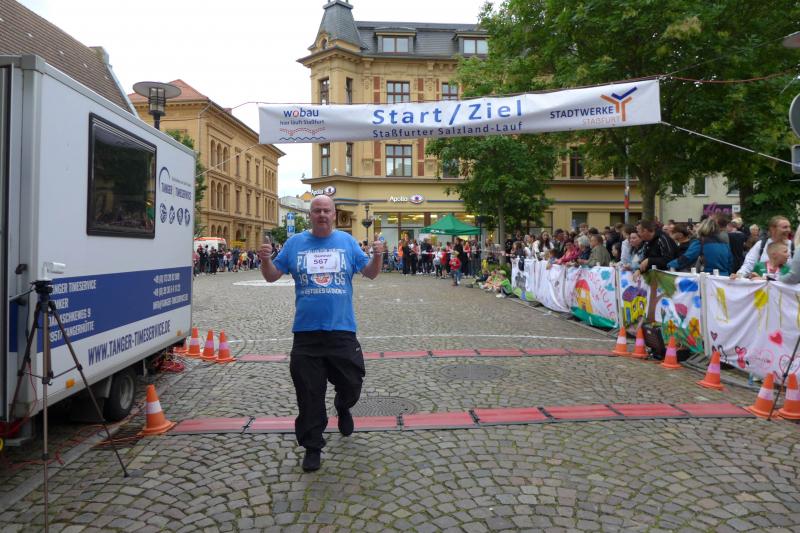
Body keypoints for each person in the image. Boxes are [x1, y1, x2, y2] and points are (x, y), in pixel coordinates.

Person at [257, 195, 383, 473]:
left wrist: (378, 255)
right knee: (309, 394)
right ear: (310, 215)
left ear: (334, 215)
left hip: (342, 330)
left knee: (352, 382)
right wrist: (265, 260)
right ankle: (312, 446)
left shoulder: (347, 242)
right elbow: (271, 276)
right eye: (317, 210)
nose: (322, 214)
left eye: (327, 210)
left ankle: (343, 405)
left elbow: (371, 273)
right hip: (306, 333)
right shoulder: (295, 243)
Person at [667, 218, 732, 275]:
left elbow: (687, 257)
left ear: (702, 227)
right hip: (724, 277)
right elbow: (730, 262)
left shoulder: (700, 241)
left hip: (708, 277)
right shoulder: (724, 243)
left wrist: (671, 264)